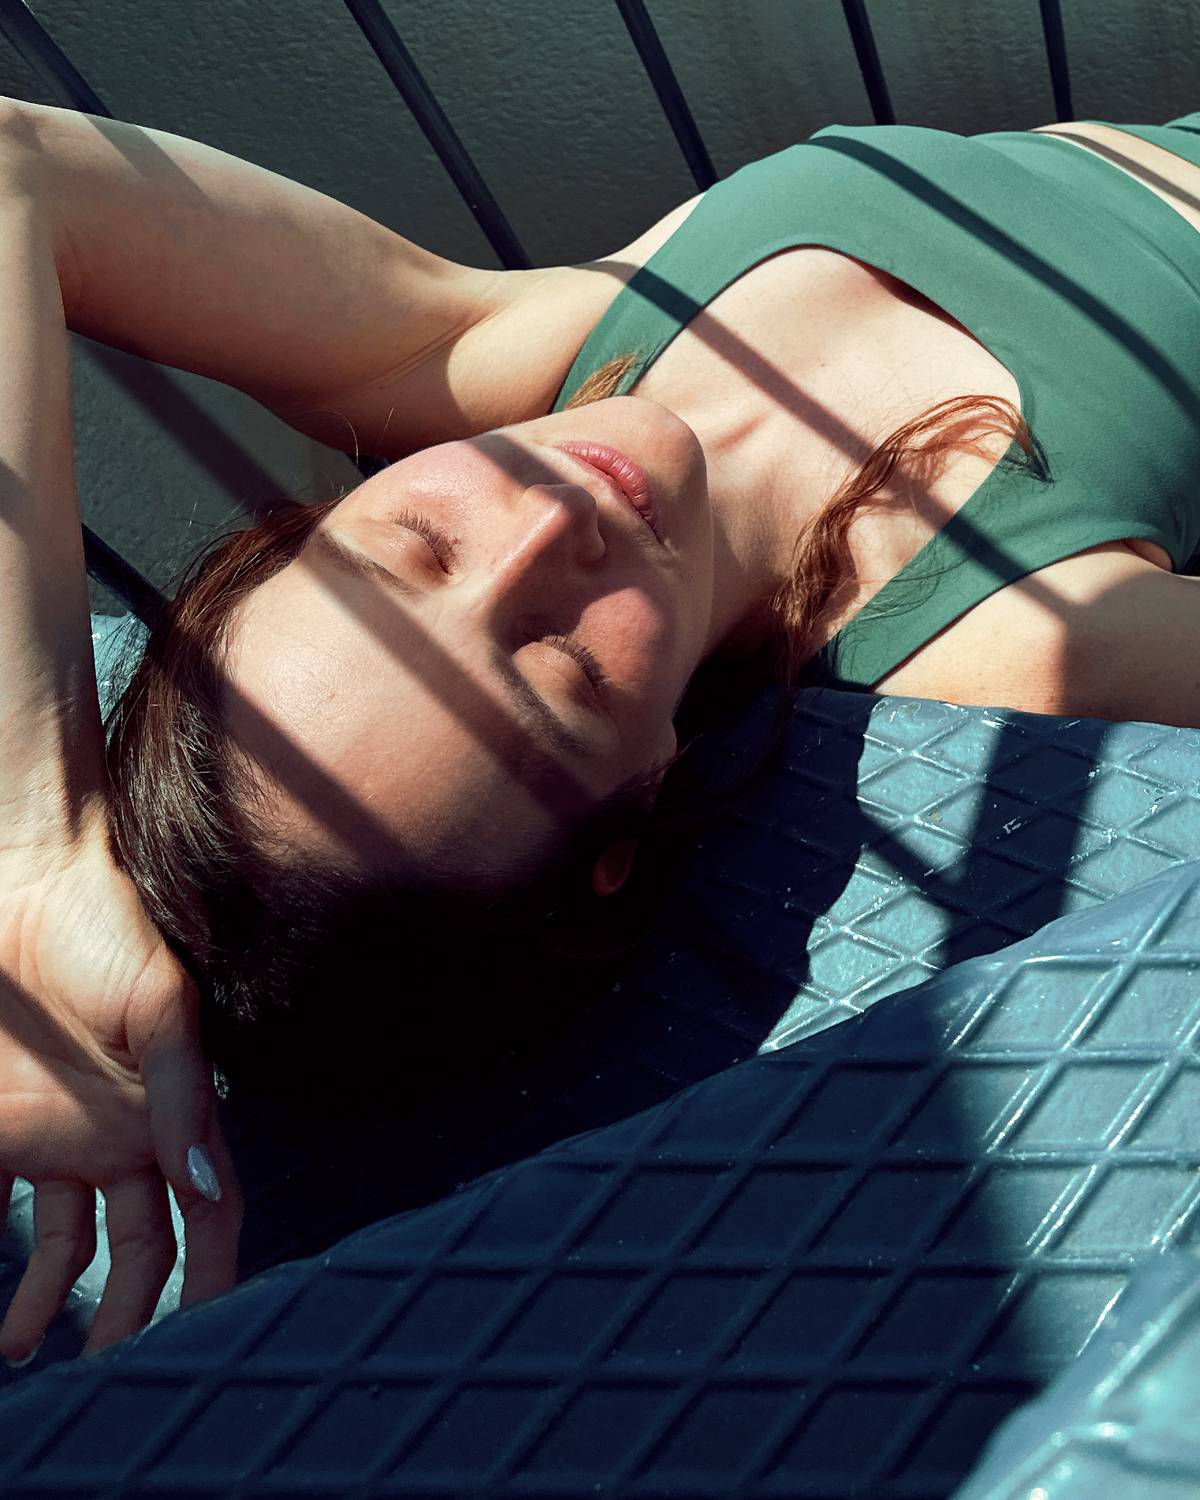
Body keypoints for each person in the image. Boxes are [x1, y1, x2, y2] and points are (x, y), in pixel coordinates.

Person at [5, 97, 1200, 1366]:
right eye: (562, 666)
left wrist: (31, 844)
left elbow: (20, 168)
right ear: (636, 805)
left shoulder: (502, 353)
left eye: (411, 548)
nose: (553, 521)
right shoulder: (1008, 642)